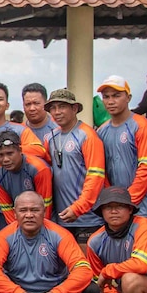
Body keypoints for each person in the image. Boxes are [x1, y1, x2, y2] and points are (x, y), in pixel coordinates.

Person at [44, 88, 107, 245]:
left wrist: (79, 207)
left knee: (85, 267)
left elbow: (96, 177)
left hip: (87, 219)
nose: (57, 112)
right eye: (53, 108)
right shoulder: (51, 137)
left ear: (74, 108)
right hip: (60, 219)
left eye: (62, 106)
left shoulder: (87, 136)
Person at [96, 76, 147, 222]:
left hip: (144, 209)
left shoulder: (142, 126)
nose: (111, 101)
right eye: (106, 97)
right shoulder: (102, 131)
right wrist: (112, 200)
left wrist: (127, 201)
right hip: (115, 210)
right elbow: (102, 171)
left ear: (128, 98)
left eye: (116, 96)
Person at [0, 129, 53, 222]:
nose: (5, 159)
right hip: (18, 218)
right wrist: (17, 231)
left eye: (10, 153)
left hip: (45, 219)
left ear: (20, 150)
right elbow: (7, 208)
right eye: (0, 155)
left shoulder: (39, 168)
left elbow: (46, 206)